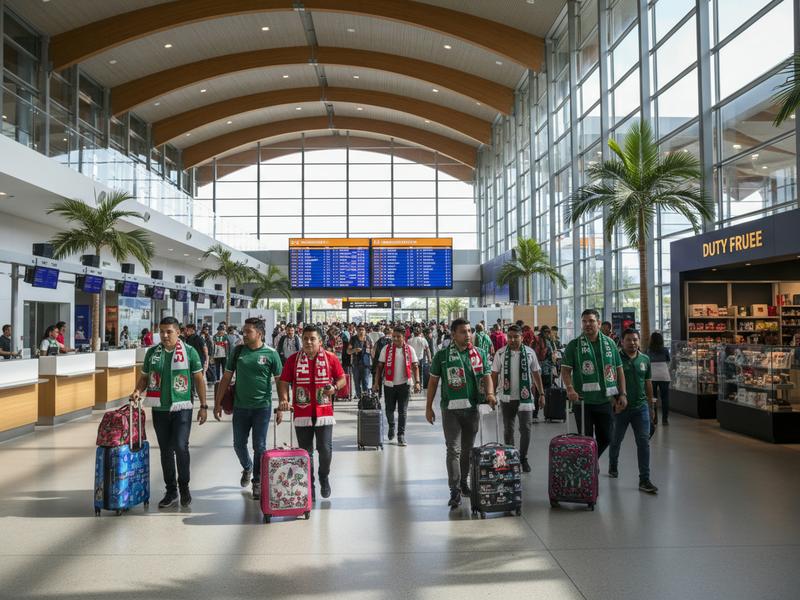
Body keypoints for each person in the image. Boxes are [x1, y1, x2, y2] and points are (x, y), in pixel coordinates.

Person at [130, 317, 207, 508]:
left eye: (169, 331)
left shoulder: (189, 352)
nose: (164, 335)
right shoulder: (153, 353)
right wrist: (138, 390)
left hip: (182, 407)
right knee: (165, 450)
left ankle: (184, 487)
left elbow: (198, 379)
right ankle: (171, 490)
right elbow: (144, 378)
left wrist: (204, 406)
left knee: (181, 447)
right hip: (160, 408)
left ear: (178, 332)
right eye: (162, 331)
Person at [426, 318, 495, 509]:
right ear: (453, 335)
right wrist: (428, 406)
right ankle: (454, 489)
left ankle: (464, 482)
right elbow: (432, 383)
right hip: (450, 411)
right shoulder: (442, 356)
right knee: (453, 449)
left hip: (472, 409)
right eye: (463, 332)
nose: (468, 335)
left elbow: (487, 376)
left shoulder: (478, 354)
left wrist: (489, 393)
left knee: (467, 450)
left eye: (469, 331)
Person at [213, 318, 282, 500]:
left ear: (259, 334)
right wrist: (217, 403)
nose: (243, 334)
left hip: (262, 407)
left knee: (259, 446)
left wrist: (283, 403)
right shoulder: (237, 352)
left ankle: (257, 481)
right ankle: (247, 467)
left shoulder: (271, 354)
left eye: (247, 331)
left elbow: (280, 381)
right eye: (243, 331)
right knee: (238, 444)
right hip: (240, 407)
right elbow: (226, 378)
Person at [277, 325, 346, 501]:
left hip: (324, 413)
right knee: (305, 453)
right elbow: (284, 382)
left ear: (320, 341)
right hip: (302, 413)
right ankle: (309, 484)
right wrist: (284, 399)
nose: (308, 341)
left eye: (312, 338)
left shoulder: (330, 358)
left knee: (325, 450)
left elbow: (342, 378)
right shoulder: (293, 360)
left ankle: (324, 476)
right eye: (305, 338)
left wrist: (335, 387)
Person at [560, 309, 627, 457]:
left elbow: (619, 370)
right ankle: (589, 467)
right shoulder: (574, 345)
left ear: (599, 323)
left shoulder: (610, 344)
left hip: (605, 400)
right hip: (583, 402)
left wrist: (622, 393)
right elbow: (565, 371)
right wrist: (570, 389)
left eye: (591, 321)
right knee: (585, 440)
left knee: (608, 437)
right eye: (584, 321)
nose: (587, 324)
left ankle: (590, 461)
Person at [609, 329, 658, 494]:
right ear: (622, 341)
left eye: (635, 340)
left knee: (643, 442)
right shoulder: (615, 359)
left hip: (641, 407)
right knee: (616, 440)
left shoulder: (645, 359)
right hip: (621, 408)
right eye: (629, 340)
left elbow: (648, 383)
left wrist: (651, 407)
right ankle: (613, 464)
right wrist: (614, 402)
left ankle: (644, 479)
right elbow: (609, 383)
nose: (633, 343)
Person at [490, 325, 545, 473]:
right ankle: (510, 457)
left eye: (516, 337)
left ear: (522, 337)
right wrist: (491, 394)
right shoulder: (500, 354)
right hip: (506, 398)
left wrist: (541, 394)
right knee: (508, 430)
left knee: (526, 429)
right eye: (510, 337)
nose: (512, 340)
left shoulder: (529, 353)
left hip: (525, 398)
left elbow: (536, 374)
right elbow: (494, 375)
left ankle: (523, 458)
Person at [373, 326, 421, 446]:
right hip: (389, 385)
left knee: (402, 411)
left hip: (404, 385)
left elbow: (415, 366)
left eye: (398, 337)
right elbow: (379, 367)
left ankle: (401, 435)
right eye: (393, 336)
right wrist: (376, 383)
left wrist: (418, 382)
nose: (394, 339)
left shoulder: (410, 349)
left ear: (403, 337)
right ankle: (391, 426)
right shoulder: (386, 349)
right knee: (389, 410)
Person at [646, 331, 671, 425]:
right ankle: (665, 419)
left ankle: (654, 418)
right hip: (664, 375)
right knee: (665, 398)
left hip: (652, 376)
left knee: (653, 398)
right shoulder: (665, 350)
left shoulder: (648, 350)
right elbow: (668, 361)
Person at [348, 324, 373, 396]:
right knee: (356, 382)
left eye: (363, 330)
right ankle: (359, 396)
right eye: (360, 330)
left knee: (365, 381)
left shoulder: (368, 339)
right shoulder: (353, 339)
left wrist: (373, 362)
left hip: (366, 364)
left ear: (365, 331)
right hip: (356, 364)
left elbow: (372, 351)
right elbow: (348, 351)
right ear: (357, 331)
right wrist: (354, 350)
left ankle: (366, 397)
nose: (361, 331)